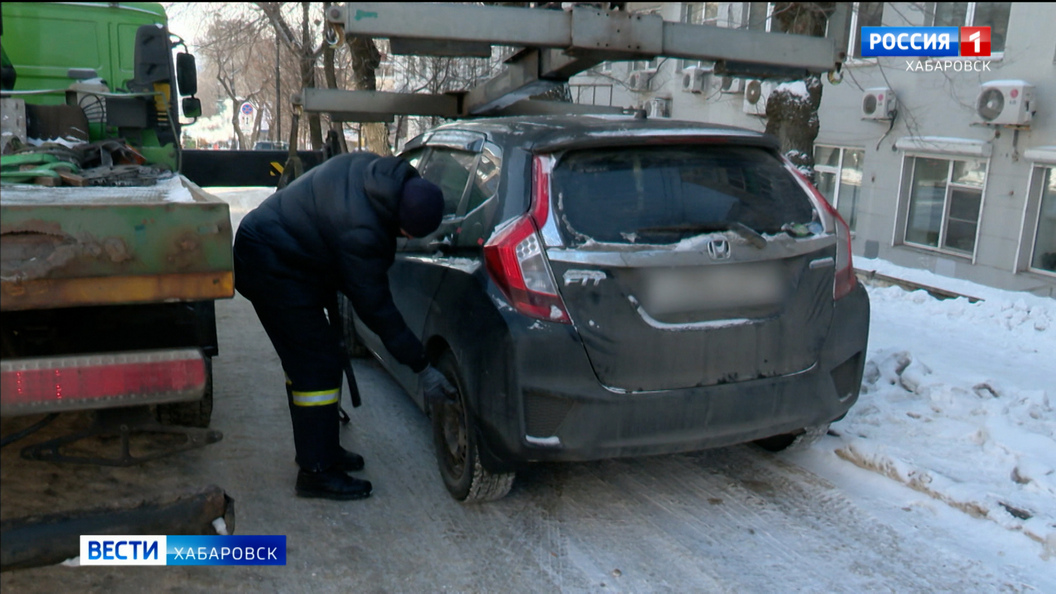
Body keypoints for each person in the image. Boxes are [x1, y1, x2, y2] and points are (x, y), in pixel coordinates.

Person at [233, 152, 453, 501]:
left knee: (320, 359)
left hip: (287, 252)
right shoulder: (362, 230)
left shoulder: (384, 176)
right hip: (269, 263)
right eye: (406, 234)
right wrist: (422, 367)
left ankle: (322, 450)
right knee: (315, 367)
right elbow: (376, 308)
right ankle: (316, 472)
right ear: (400, 223)